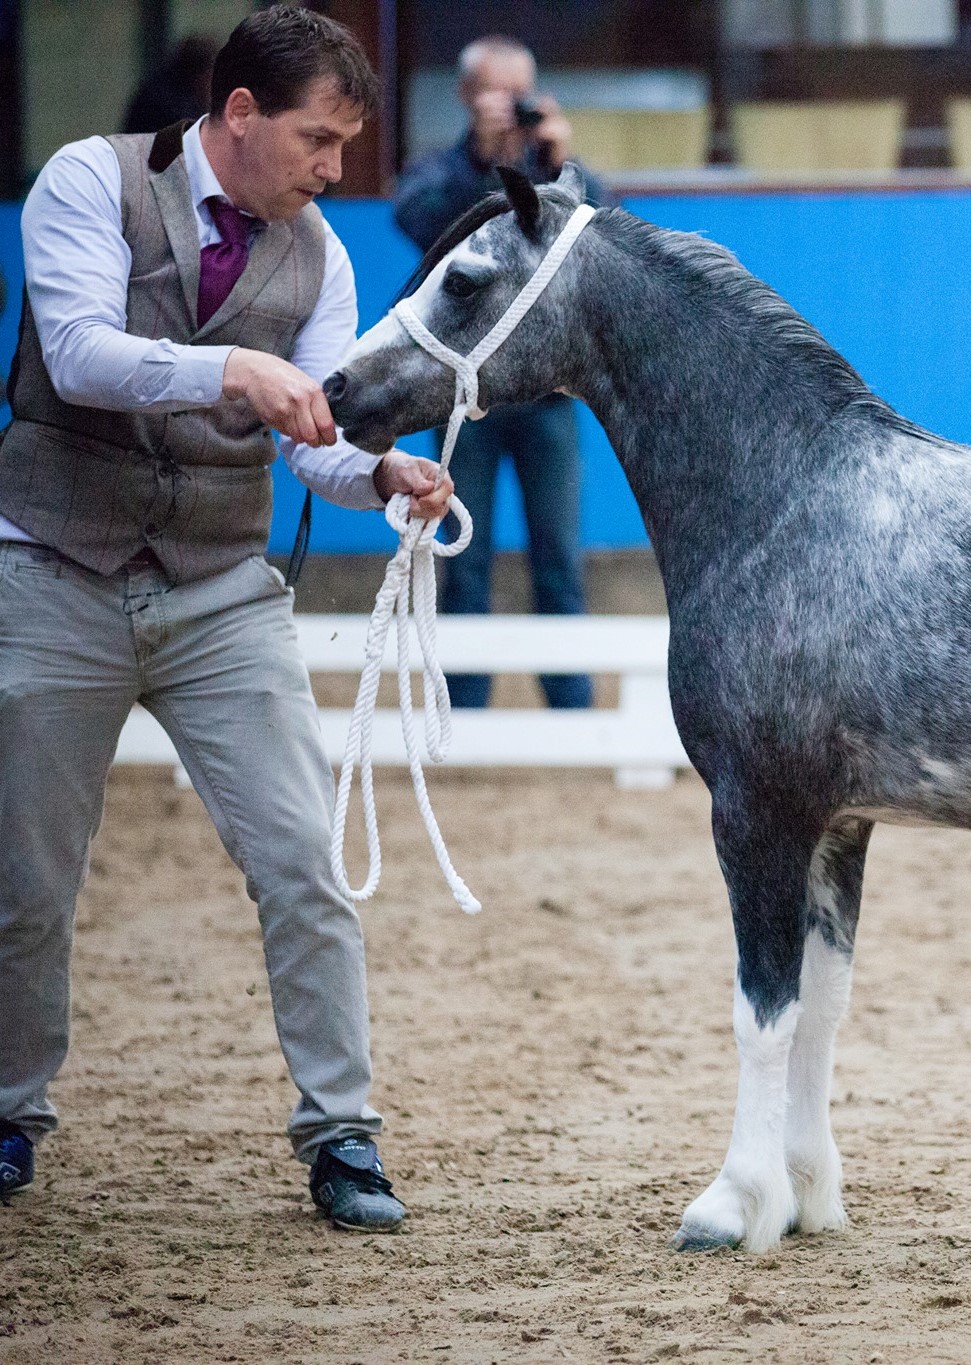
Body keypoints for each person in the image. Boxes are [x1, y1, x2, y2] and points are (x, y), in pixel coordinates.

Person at [0, 7, 451, 1231]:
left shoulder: (321, 253)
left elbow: (320, 445)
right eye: (318, 139)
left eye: (344, 146)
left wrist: (384, 476)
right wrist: (232, 373)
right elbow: (83, 354)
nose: (333, 170)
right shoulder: (89, 180)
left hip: (217, 592)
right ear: (237, 114)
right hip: (51, 570)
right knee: (26, 881)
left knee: (305, 865)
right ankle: (9, 1113)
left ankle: (342, 1135)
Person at [393, 35, 610, 710]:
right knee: (463, 555)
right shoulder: (443, 172)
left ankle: (572, 706)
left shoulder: (557, 173)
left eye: (522, 92)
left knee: (559, 557)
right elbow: (417, 217)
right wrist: (483, 162)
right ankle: (463, 707)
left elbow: (605, 233)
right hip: (466, 399)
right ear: (466, 96)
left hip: (545, 397)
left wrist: (562, 162)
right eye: (497, 91)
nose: (512, 106)